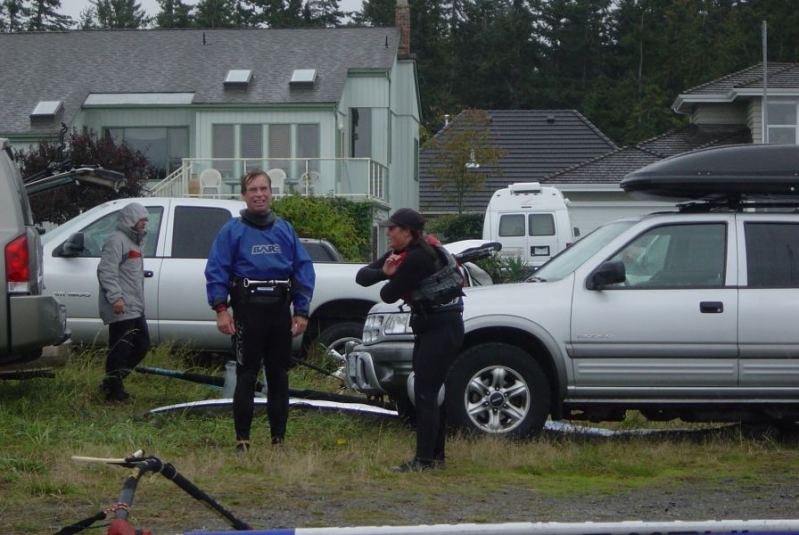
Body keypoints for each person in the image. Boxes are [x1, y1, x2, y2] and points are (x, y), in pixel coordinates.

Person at [205, 169, 315, 452]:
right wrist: (221, 309)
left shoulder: (285, 229)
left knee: (279, 375)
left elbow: (303, 270)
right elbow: (217, 269)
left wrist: (301, 311)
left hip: (279, 312)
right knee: (247, 374)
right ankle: (243, 440)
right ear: (244, 195)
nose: (259, 194)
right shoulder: (232, 230)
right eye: (253, 190)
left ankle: (278, 439)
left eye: (264, 189)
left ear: (271, 193)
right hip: (248, 313)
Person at [356, 208, 464, 472]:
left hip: (442, 328)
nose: (388, 232)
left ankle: (425, 460)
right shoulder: (404, 252)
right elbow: (362, 277)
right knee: (427, 391)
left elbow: (389, 295)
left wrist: (387, 273)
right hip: (431, 327)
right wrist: (385, 270)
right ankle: (435, 457)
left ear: (407, 232)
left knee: (426, 393)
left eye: (393, 228)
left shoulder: (418, 257)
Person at [97, 202, 151, 402]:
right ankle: (114, 391)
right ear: (130, 220)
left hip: (134, 306)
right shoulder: (116, 241)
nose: (145, 224)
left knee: (142, 344)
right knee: (121, 347)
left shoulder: (135, 242)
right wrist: (116, 298)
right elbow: (106, 271)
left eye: (145, 220)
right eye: (141, 220)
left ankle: (112, 382)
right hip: (121, 306)